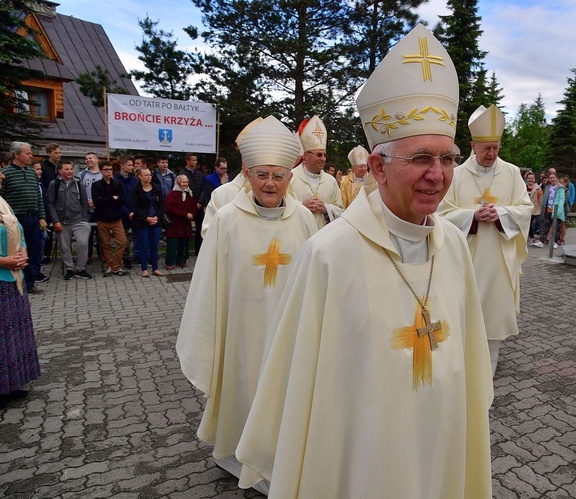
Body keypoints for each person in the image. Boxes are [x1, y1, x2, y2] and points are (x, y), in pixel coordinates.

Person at [235, 24, 492, 498]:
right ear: (377, 167)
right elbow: (302, 394)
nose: (438, 175)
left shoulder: (454, 246)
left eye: (447, 159)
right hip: (362, 459)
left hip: (443, 438)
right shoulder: (330, 254)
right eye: (420, 158)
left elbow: (472, 368)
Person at [178, 115, 317, 486]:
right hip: (242, 329)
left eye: (278, 175)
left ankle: (279, 462)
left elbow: (315, 278)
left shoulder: (305, 220)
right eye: (262, 175)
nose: (270, 183)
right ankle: (238, 457)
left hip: (289, 331)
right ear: (248, 175)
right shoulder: (226, 219)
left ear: (290, 177)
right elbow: (210, 281)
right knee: (244, 388)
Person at [438, 104, 533, 375]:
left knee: (492, 316)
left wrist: (501, 213)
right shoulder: (455, 175)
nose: (492, 153)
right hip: (464, 256)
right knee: (462, 312)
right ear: (473, 146)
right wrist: (472, 216)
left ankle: (488, 371)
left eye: (496, 147)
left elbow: (525, 208)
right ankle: (461, 368)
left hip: (499, 259)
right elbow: (441, 212)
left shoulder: (512, 173)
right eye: (486, 148)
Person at [0, 169, 41, 407]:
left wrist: (22, 251)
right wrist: (3, 261)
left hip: (12, 279)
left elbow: (18, 231)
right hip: (3, 272)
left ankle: (10, 383)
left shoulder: (3, 202)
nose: (3, 176)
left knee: (11, 334)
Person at [0, 142, 48, 294]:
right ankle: (16, 280)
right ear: (16, 155)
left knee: (33, 251)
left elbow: (38, 197)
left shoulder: (32, 173)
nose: (31, 156)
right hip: (14, 220)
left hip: (33, 217)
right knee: (16, 251)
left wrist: (41, 216)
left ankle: (30, 282)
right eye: (27, 153)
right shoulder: (6, 173)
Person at [289, 115, 344, 229]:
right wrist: (302, 206)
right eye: (319, 154)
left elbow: (341, 210)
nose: (323, 158)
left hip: (324, 236)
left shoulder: (331, 181)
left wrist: (326, 208)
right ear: (306, 156)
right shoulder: (291, 177)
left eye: (324, 155)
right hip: (299, 234)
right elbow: (282, 206)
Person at [47, 160, 92, 280]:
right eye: (66, 169)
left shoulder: (78, 183)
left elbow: (84, 203)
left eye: (71, 169)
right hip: (62, 221)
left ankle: (80, 268)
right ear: (60, 171)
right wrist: (55, 221)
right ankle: (69, 269)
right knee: (65, 247)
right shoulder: (54, 184)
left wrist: (85, 219)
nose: (69, 171)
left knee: (82, 243)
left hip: (78, 220)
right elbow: (50, 204)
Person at [91, 162, 128, 277]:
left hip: (116, 219)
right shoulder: (96, 185)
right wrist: (112, 198)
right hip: (102, 219)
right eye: (106, 170)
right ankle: (109, 265)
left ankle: (116, 265)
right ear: (101, 171)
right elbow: (97, 202)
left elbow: (122, 200)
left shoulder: (118, 184)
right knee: (105, 244)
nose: (108, 172)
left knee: (122, 242)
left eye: (110, 169)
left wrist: (106, 200)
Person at [131, 166, 165, 278]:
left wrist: (157, 217)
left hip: (156, 221)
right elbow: (135, 207)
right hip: (142, 222)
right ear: (140, 177)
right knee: (143, 245)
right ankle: (144, 269)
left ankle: (155, 268)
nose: (149, 176)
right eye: (146, 175)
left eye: (150, 174)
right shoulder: (136, 190)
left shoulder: (157, 188)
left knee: (154, 245)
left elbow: (162, 205)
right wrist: (146, 218)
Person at [164, 175, 197, 270]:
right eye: (183, 182)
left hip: (185, 223)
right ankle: (170, 262)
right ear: (178, 183)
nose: (185, 184)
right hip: (175, 223)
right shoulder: (172, 194)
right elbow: (172, 208)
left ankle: (181, 261)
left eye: (186, 182)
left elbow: (193, 206)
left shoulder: (189, 193)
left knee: (184, 243)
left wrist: (191, 213)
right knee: (173, 244)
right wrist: (185, 214)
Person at [79, 152, 102, 263]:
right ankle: (87, 255)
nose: (88, 160)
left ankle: (102, 255)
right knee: (87, 234)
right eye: (86, 158)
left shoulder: (102, 174)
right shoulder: (82, 174)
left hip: (100, 208)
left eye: (91, 158)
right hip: (87, 209)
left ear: (97, 160)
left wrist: (98, 202)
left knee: (101, 233)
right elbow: (78, 191)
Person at [115, 155, 138, 269]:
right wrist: (127, 212)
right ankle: (125, 259)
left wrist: (134, 211)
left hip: (134, 213)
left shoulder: (134, 179)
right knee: (123, 240)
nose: (132, 167)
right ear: (122, 165)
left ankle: (137, 256)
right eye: (129, 165)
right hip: (122, 214)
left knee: (135, 237)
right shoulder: (115, 180)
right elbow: (116, 200)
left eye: (132, 165)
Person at [180, 153, 205, 256]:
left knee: (201, 228)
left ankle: (199, 251)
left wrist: (200, 202)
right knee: (185, 228)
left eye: (196, 160)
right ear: (188, 161)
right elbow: (182, 189)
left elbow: (203, 188)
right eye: (193, 160)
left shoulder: (199, 174)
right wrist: (190, 203)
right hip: (188, 206)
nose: (195, 162)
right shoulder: (182, 174)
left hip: (198, 206)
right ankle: (184, 252)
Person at [526, 171, 543, 245]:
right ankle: (530, 237)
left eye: (532, 178)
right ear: (526, 179)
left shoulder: (538, 188)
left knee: (529, 222)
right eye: (529, 178)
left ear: (534, 179)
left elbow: (541, 198)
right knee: (527, 223)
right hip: (526, 207)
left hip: (534, 207)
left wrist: (540, 206)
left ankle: (532, 237)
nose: (530, 180)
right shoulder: (524, 187)